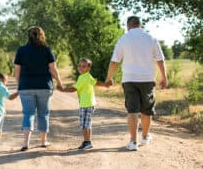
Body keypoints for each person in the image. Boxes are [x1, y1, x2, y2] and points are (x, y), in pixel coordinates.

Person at [105, 16, 167, 151]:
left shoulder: (123, 39)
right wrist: (164, 77)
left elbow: (114, 62)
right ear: (140, 25)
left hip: (129, 79)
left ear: (128, 26)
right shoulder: (151, 38)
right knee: (146, 109)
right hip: (147, 79)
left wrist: (109, 78)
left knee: (132, 110)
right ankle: (145, 137)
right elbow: (160, 60)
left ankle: (133, 142)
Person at [14, 26, 63, 151]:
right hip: (44, 86)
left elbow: (17, 70)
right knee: (43, 114)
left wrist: (20, 84)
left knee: (28, 113)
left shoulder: (21, 50)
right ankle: (43, 141)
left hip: (26, 87)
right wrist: (59, 82)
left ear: (28, 36)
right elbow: (53, 69)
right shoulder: (46, 49)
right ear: (42, 35)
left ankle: (26, 143)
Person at [57, 58, 110, 150]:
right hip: (89, 104)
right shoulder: (88, 76)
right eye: (80, 66)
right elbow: (96, 82)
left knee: (84, 125)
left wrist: (62, 90)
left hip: (86, 105)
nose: (81, 68)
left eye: (84, 66)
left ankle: (87, 142)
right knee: (87, 124)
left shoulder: (83, 77)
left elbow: (74, 89)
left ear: (88, 68)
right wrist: (105, 84)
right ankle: (87, 142)